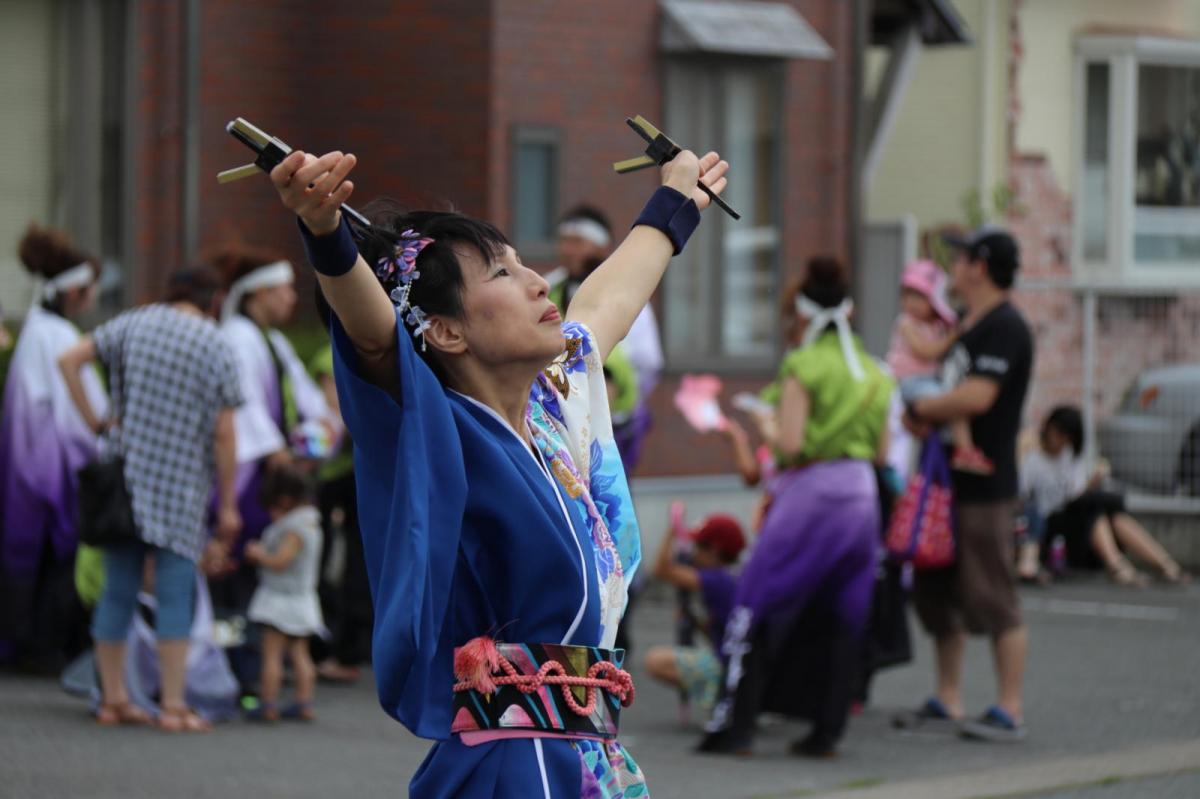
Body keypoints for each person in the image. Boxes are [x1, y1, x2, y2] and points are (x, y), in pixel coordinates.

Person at [268, 143, 728, 796]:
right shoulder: (437, 429)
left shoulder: (550, 409)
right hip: (514, 764)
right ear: (447, 332)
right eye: (502, 275)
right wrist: (326, 234)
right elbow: (375, 333)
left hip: (587, 756)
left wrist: (676, 202)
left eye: (521, 264)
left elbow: (605, 304)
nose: (540, 280)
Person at [699, 257, 894, 759]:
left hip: (811, 496)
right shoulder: (876, 373)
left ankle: (735, 726)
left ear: (801, 316)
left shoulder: (802, 366)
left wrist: (765, 429)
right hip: (862, 497)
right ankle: (826, 732)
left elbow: (789, 445)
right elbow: (882, 454)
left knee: (753, 604)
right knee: (843, 614)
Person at [58, 265, 243, 731]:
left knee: (118, 589)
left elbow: (69, 360)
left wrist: (98, 423)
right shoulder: (214, 343)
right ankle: (175, 706)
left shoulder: (133, 322)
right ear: (212, 301)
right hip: (180, 486)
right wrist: (227, 503)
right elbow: (224, 433)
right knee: (174, 593)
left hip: (125, 482)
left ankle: (113, 700)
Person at [896, 225, 1033, 742]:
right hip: (945, 482)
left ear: (981, 266)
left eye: (960, 260)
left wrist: (922, 408)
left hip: (986, 485)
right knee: (937, 591)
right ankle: (948, 695)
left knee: (994, 593)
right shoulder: (968, 325)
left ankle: (1009, 707)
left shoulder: (1007, 327)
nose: (952, 270)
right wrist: (924, 415)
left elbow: (976, 398)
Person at [209, 246, 332, 652]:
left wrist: (318, 436)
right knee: (241, 569)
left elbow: (309, 403)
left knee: (273, 570)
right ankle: (236, 662)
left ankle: (264, 662)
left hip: (273, 475)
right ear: (259, 292)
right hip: (248, 479)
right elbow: (242, 408)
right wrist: (282, 453)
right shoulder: (236, 337)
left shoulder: (273, 341)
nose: (292, 298)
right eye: (284, 290)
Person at [0, 225, 104, 671]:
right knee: (58, 562)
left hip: (26, 464)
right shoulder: (58, 335)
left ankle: (28, 645)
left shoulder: (40, 329)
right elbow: (77, 416)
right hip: (53, 468)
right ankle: (42, 649)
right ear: (77, 291)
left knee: (30, 560)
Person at [1021, 406, 1190, 586]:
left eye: (1067, 437)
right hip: (1051, 526)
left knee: (1111, 516)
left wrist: (1093, 482)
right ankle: (1118, 567)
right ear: (1049, 428)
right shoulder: (1033, 459)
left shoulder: (1071, 457)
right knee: (1095, 511)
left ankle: (1166, 566)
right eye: (1060, 433)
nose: (1062, 441)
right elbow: (1022, 496)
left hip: (1078, 520)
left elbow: (1077, 493)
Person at [308, 290, 372, 684]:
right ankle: (331, 646)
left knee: (350, 561)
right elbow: (335, 415)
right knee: (332, 559)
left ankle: (344, 646)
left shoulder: (353, 348)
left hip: (347, 471)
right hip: (337, 472)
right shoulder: (335, 352)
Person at [886, 260, 989, 475]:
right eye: (908, 296)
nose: (912, 303)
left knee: (947, 407)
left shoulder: (936, 326)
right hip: (911, 382)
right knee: (953, 405)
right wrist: (951, 338)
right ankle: (965, 450)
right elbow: (926, 352)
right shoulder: (906, 323)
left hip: (927, 381)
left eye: (920, 297)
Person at [644, 507, 745, 723]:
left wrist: (673, 528)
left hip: (728, 665)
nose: (693, 552)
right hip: (739, 662)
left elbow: (661, 570)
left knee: (655, 660)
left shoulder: (717, 579)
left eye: (698, 546)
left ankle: (726, 697)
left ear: (714, 550)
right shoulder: (732, 577)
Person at [245, 465, 325, 721]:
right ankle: (305, 702)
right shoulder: (312, 523)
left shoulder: (294, 528)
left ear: (284, 501)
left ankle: (268, 704)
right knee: (301, 655)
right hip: (303, 599)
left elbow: (281, 561)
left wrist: (259, 554)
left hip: (281, 600)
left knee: (272, 655)